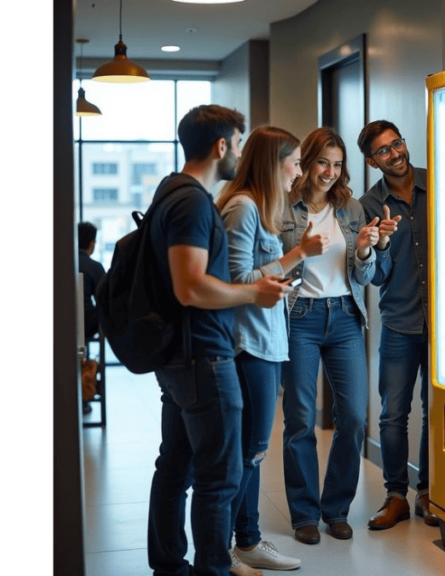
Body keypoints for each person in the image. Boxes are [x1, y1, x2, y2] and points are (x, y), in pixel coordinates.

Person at [147, 104, 294, 576]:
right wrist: (256, 291)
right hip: (203, 354)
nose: (240, 149)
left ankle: (170, 566)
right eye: (237, 139)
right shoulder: (192, 200)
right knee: (218, 476)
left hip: (179, 353)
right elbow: (190, 285)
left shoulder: (170, 191)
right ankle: (214, 568)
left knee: (175, 466)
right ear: (221, 146)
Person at [280, 127, 380, 545]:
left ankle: (335, 509)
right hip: (299, 317)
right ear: (306, 162)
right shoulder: (284, 207)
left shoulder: (352, 208)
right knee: (300, 420)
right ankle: (304, 514)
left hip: (344, 317)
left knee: (354, 417)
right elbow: (269, 266)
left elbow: (366, 275)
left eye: (338, 165)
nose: (330, 173)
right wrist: (298, 250)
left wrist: (364, 249)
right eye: (323, 162)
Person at [215, 126, 308, 576]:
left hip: (267, 344)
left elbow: (257, 278)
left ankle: (247, 541)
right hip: (247, 346)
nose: (300, 171)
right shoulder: (243, 207)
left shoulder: (261, 207)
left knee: (253, 451)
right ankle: (229, 549)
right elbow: (235, 280)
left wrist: (284, 277)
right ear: (275, 162)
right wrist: (293, 258)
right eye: (295, 162)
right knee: (247, 452)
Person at [356, 120, 439, 530]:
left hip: (443, 324)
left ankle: (428, 492)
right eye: (384, 151)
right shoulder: (368, 206)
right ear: (372, 161)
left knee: (435, 409)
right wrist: (382, 244)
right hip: (400, 321)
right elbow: (374, 276)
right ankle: (395, 495)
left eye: (397, 144)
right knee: (393, 414)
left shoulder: (437, 179)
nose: (396, 153)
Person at [77, 221, 106, 342]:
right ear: (91, 243)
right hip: (86, 323)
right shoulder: (94, 266)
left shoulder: (62, 263)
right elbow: (104, 298)